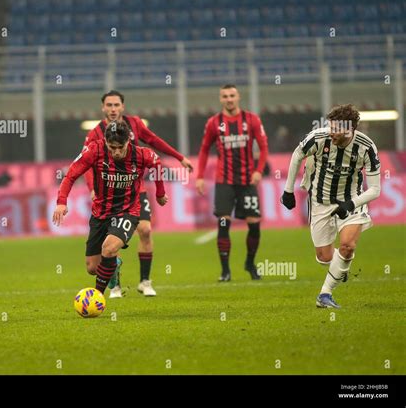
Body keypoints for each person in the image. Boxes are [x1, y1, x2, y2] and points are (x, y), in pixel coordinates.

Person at [82, 90, 192, 298]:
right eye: (109, 105)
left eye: (116, 105)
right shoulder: (95, 133)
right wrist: (92, 189)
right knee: (103, 254)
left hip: (135, 190)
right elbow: (86, 165)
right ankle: (114, 282)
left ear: (123, 107)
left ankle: (145, 282)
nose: (113, 109)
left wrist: (179, 157)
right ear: (103, 108)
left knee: (146, 230)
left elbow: (154, 141)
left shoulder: (135, 124)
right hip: (109, 195)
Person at [281, 104, 381, 308]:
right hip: (320, 202)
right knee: (324, 256)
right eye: (331, 127)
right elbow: (297, 154)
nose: (332, 132)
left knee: (347, 246)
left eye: (337, 129)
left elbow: (375, 190)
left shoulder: (366, 147)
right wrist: (288, 190)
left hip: (351, 200)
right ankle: (339, 269)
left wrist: (351, 204)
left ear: (350, 128)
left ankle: (325, 294)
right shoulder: (319, 137)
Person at [53, 121, 168, 296]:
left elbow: (157, 163)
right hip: (100, 213)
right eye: (111, 147)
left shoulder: (142, 155)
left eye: (119, 147)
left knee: (108, 248)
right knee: (92, 268)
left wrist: (160, 193)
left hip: (127, 211)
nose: (115, 152)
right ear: (105, 141)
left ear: (128, 142)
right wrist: (61, 201)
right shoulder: (94, 150)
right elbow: (71, 175)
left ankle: (96, 297)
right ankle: (115, 265)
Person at [196, 84, 269, 281]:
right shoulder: (214, 123)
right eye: (225, 96)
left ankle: (250, 263)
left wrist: (258, 170)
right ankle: (225, 271)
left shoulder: (252, 119)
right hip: (224, 181)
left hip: (247, 181)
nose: (229, 99)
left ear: (238, 97)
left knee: (254, 224)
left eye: (232, 95)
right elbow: (204, 149)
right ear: (220, 99)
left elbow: (263, 147)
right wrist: (200, 176)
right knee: (223, 223)